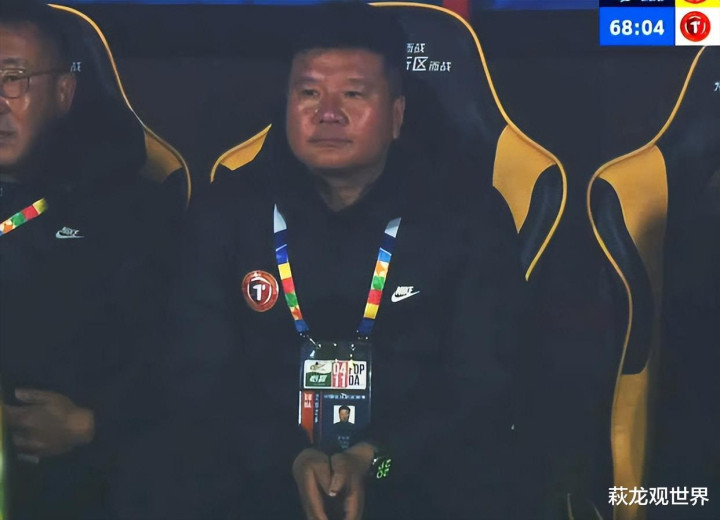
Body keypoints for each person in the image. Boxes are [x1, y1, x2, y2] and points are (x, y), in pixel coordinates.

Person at [167, 3, 524, 519]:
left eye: (353, 94)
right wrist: (289, 458)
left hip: (409, 468)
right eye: (309, 93)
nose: (328, 113)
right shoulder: (227, 212)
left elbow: (482, 384)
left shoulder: (467, 215)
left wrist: (375, 460)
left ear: (397, 115)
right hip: (265, 468)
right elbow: (199, 376)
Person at [0, 2, 181, 518]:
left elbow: (179, 367)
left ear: (64, 92)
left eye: (14, 78)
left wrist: (92, 424)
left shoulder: (129, 214)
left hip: (74, 482)